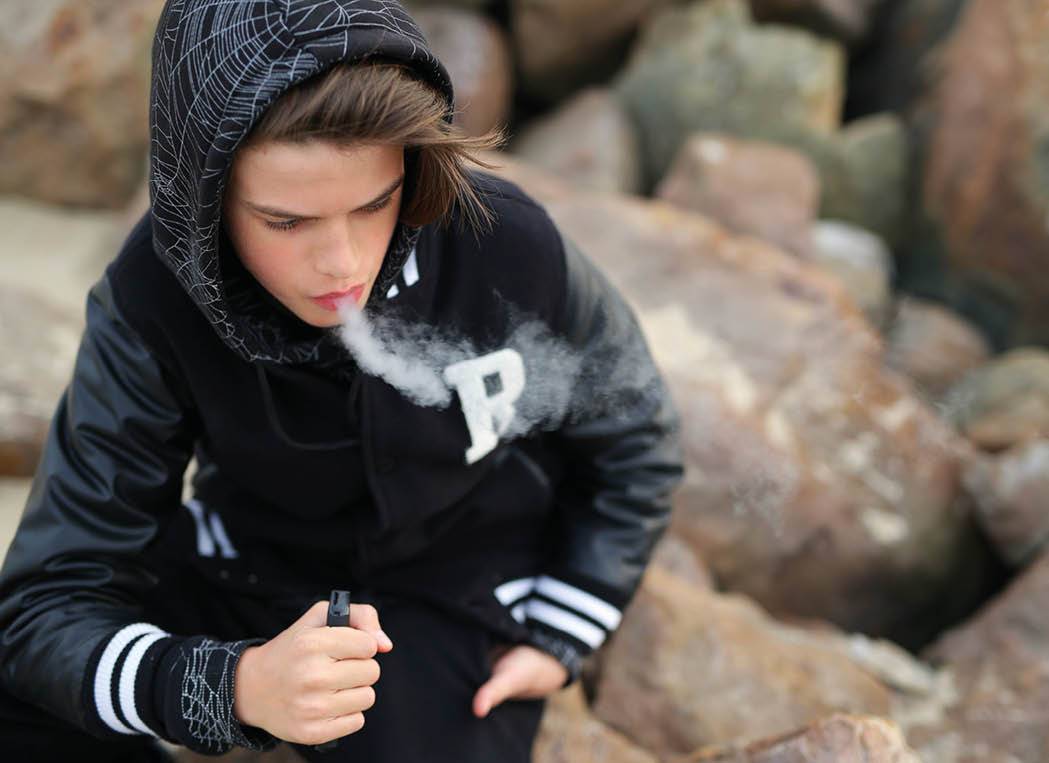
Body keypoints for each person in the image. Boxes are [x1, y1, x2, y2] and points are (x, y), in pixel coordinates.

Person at [0, 1, 682, 760]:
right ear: (205, 202)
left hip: (456, 588)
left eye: (375, 203)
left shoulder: (506, 243)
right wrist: (222, 686)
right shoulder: (152, 297)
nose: (343, 264)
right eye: (286, 221)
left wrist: (564, 628)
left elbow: (634, 432)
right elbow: (49, 602)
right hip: (247, 558)